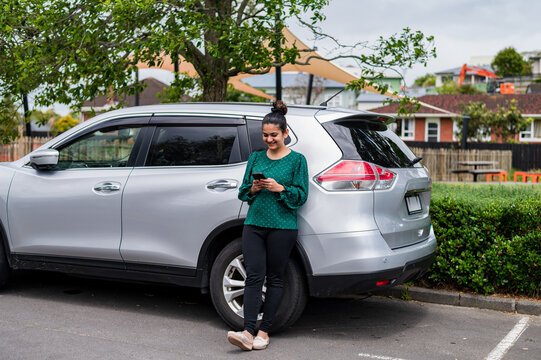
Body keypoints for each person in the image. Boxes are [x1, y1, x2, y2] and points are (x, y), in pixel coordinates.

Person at [227, 100, 309, 351]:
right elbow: (242, 193)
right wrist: (253, 188)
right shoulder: (255, 158)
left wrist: (280, 188)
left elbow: (301, 195)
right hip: (254, 223)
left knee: (275, 278)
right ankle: (247, 332)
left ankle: (265, 331)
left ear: (285, 133)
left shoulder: (297, 160)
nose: (269, 139)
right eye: (265, 135)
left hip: (283, 226)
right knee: (253, 276)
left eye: (274, 135)